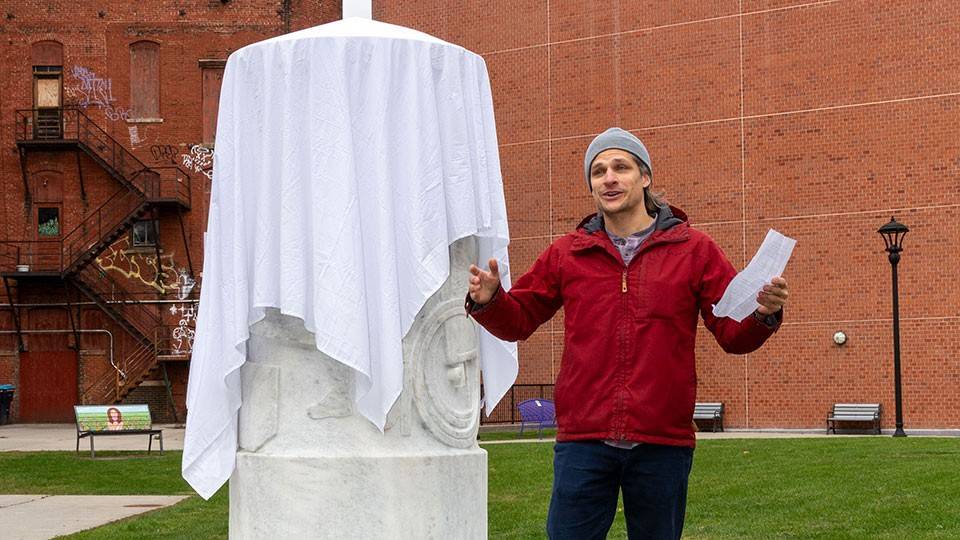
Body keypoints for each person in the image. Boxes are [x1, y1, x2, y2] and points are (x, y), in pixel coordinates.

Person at [466, 128, 788, 539]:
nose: (609, 178)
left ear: (645, 176)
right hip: (584, 440)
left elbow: (731, 333)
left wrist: (763, 313)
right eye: (598, 172)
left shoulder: (694, 249)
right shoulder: (568, 253)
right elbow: (519, 319)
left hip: (662, 442)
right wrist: (491, 299)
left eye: (621, 167)